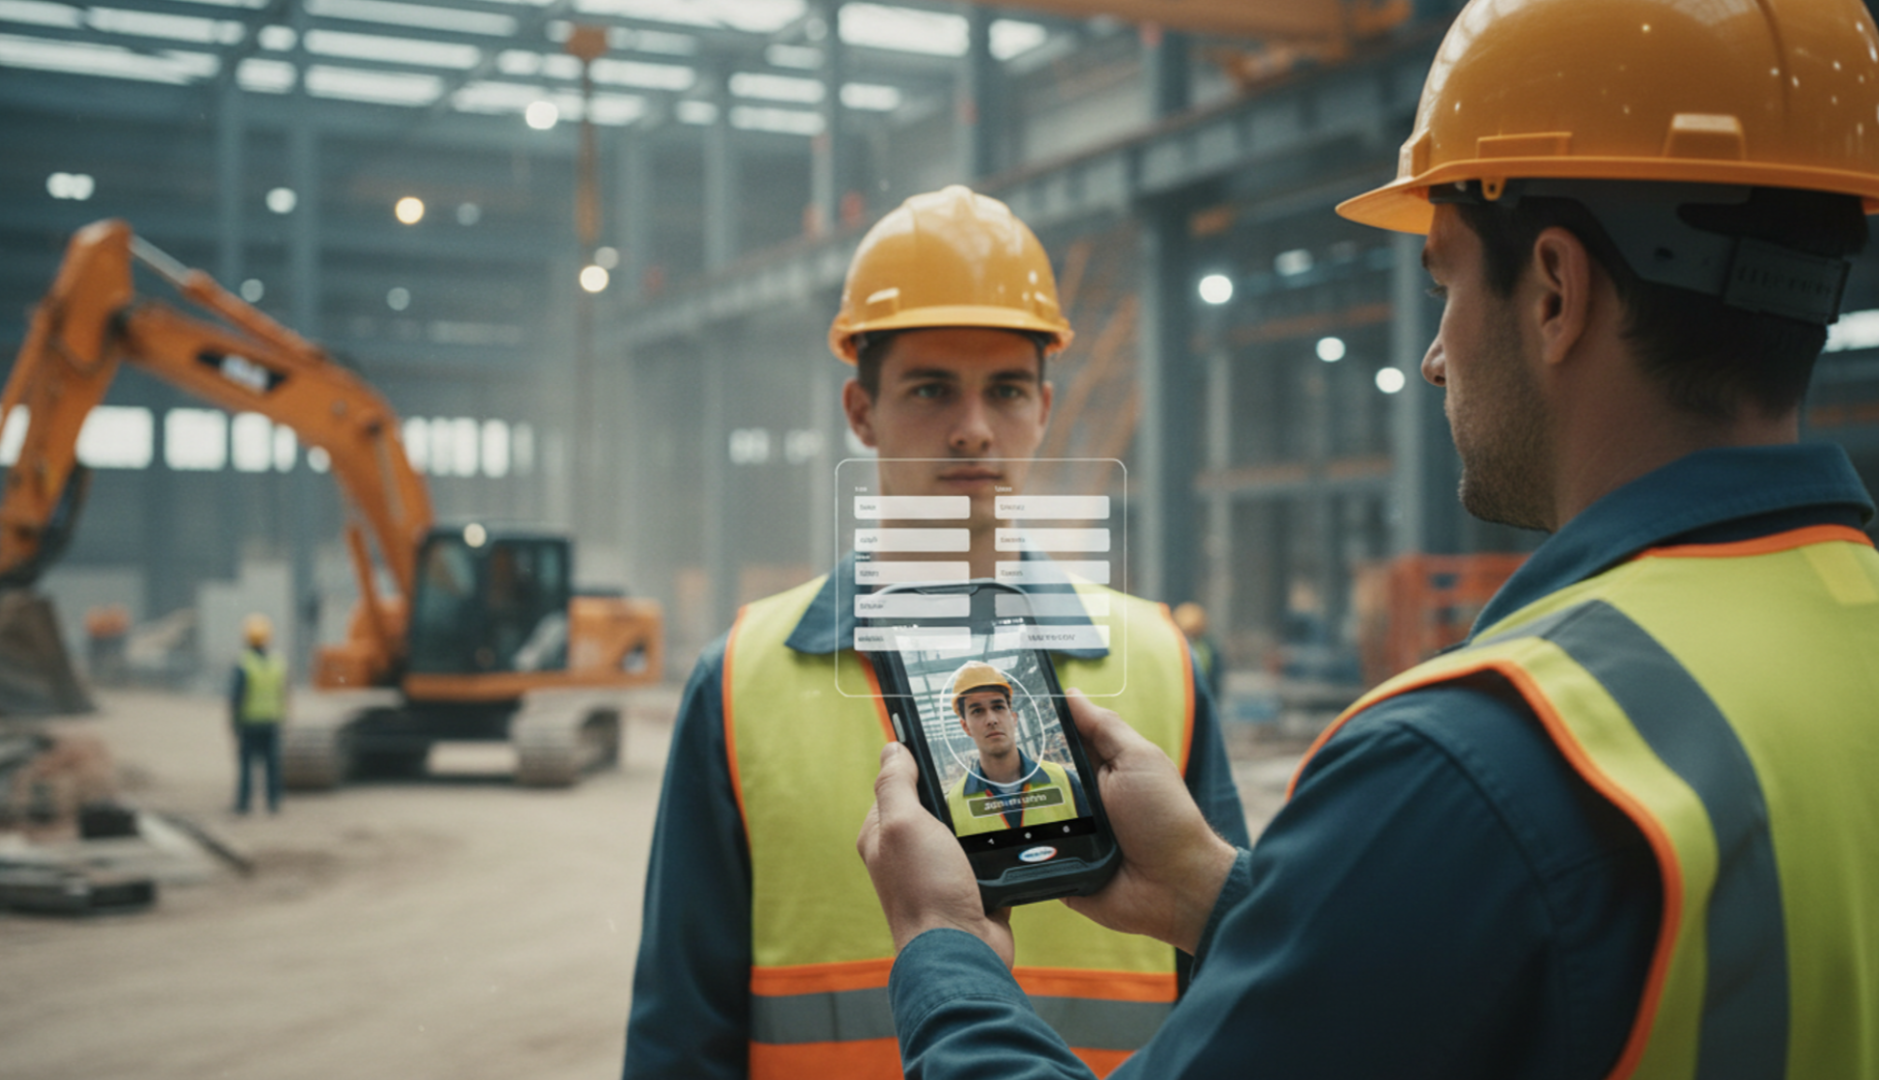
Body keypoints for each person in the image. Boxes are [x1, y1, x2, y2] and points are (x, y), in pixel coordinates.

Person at [857, 1, 1879, 1076]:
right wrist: (1217, 890)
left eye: (1442, 281)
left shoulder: (1478, 763)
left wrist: (948, 952)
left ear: (1554, 293)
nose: (1434, 356)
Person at [624, 184, 1247, 1080]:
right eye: (930, 390)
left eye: (1005, 390)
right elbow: (681, 1032)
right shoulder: (736, 681)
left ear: (1044, 404)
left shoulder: (1159, 663)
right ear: (860, 410)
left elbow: (1241, 988)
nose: (972, 427)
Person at [940, 661, 1091, 834]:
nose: (991, 720)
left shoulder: (1067, 781)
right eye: (977, 711)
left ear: (1014, 719)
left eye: (998, 707)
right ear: (965, 727)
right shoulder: (951, 805)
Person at [229, 612, 287, 815]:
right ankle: (273, 804)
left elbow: (236, 696)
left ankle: (243, 806)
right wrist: (283, 716)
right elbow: (283, 693)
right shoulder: (277, 662)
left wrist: (233, 723)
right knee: (272, 767)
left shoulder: (244, 662)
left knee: (246, 768)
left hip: (249, 723)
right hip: (271, 721)